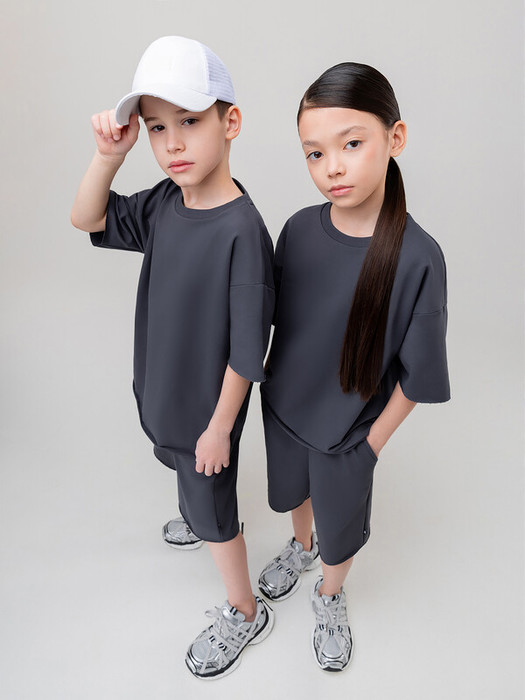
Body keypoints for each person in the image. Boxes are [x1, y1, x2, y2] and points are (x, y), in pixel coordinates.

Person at [70, 36, 275, 680]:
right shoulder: (164, 203)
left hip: (205, 413)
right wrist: (108, 157)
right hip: (163, 391)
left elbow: (249, 350)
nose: (172, 144)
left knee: (214, 508)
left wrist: (219, 429)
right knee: (185, 475)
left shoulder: (242, 233)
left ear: (230, 122)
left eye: (189, 121)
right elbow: (86, 218)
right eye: (157, 128)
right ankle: (195, 510)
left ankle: (244, 609)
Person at [258, 62, 450, 672]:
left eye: (351, 144)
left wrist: (370, 445)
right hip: (284, 409)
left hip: (349, 433)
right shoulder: (297, 230)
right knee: (294, 495)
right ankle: (300, 546)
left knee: (341, 527)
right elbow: (270, 319)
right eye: (314, 154)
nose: (332, 168)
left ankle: (330, 591)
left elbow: (420, 374)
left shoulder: (418, 258)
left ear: (395, 138)